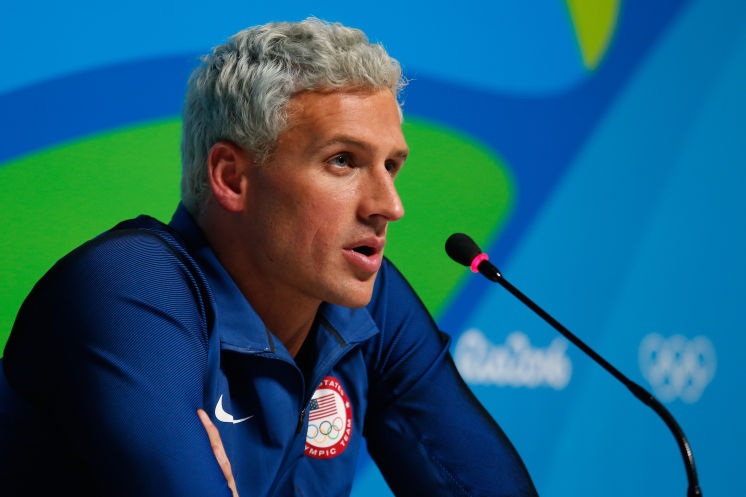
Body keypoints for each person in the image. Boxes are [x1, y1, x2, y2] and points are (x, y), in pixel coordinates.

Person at [0, 19, 537, 497]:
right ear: (232, 177)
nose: (388, 207)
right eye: (343, 161)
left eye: (391, 166)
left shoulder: (365, 296)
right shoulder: (129, 286)